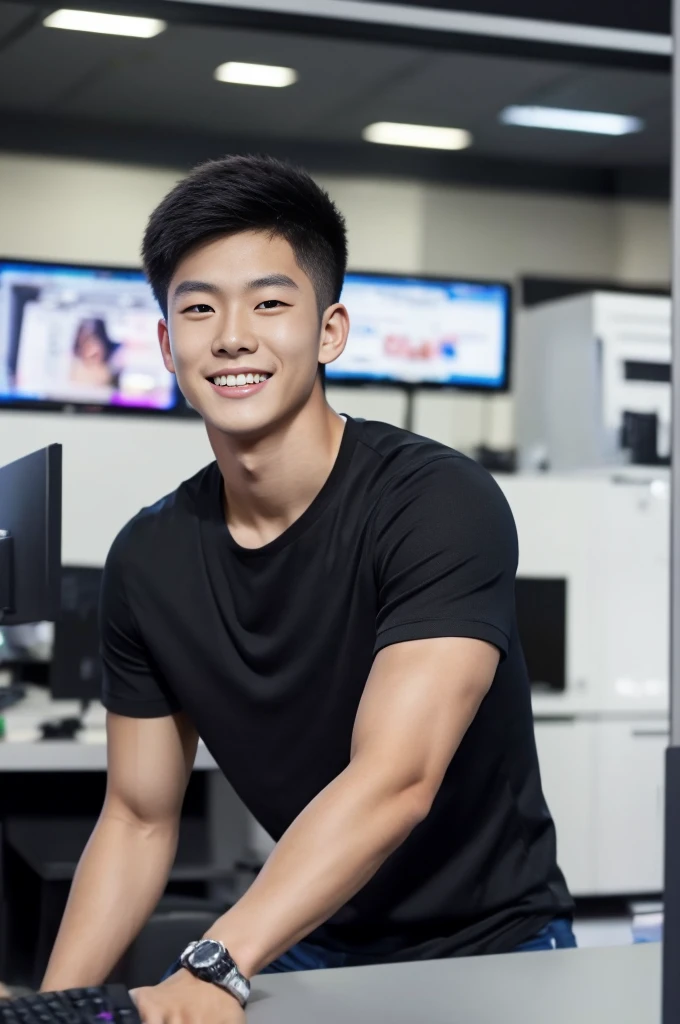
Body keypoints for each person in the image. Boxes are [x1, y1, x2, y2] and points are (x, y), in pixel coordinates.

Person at [41, 155, 574, 1021]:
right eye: (199, 307)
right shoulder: (146, 558)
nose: (233, 336)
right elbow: (138, 818)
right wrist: (54, 1010)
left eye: (270, 303)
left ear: (329, 332)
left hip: (494, 948)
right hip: (304, 937)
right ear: (166, 342)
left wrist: (217, 965)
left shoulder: (436, 501)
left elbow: (396, 779)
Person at [68, 318, 119, 389]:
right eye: (88, 344)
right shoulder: (73, 369)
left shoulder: (110, 372)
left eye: (98, 342)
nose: (94, 350)